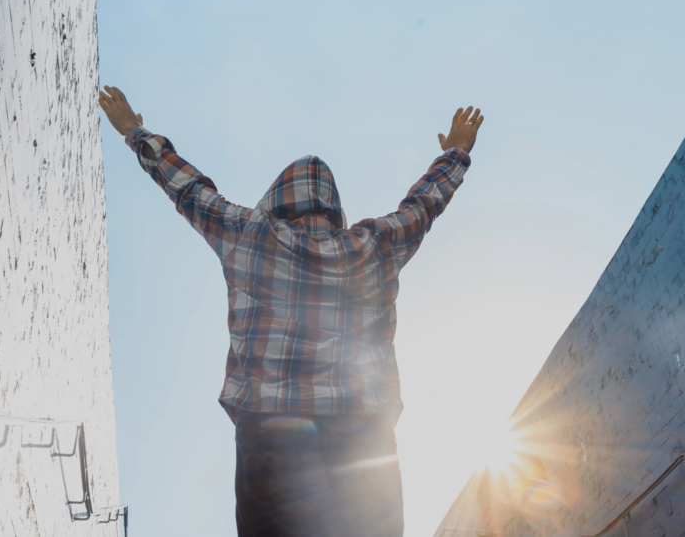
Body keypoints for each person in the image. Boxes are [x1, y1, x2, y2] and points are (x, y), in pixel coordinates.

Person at [99, 86, 484, 537]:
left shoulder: (251, 236)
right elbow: (423, 206)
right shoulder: (373, 245)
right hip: (363, 443)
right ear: (333, 209)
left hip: (271, 439)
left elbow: (189, 189)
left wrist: (135, 131)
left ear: (278, 201)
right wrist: (455, 152)